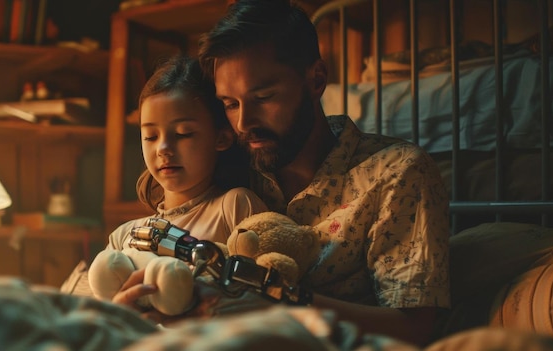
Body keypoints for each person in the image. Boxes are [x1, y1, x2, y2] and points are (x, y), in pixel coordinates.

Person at [114, 0, 450, 346]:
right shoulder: (233, 163)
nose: (244, 123)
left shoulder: (396, 173)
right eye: (230, 104)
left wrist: (275, 303)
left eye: (264, 97)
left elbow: (414, 328)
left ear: (316, 79)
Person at [93, 55, 268, 301]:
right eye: (151, 136)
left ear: (221, 138)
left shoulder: (234, 206)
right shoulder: (126, 236)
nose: (163, 148)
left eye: (183, 133)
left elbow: (268, 295)